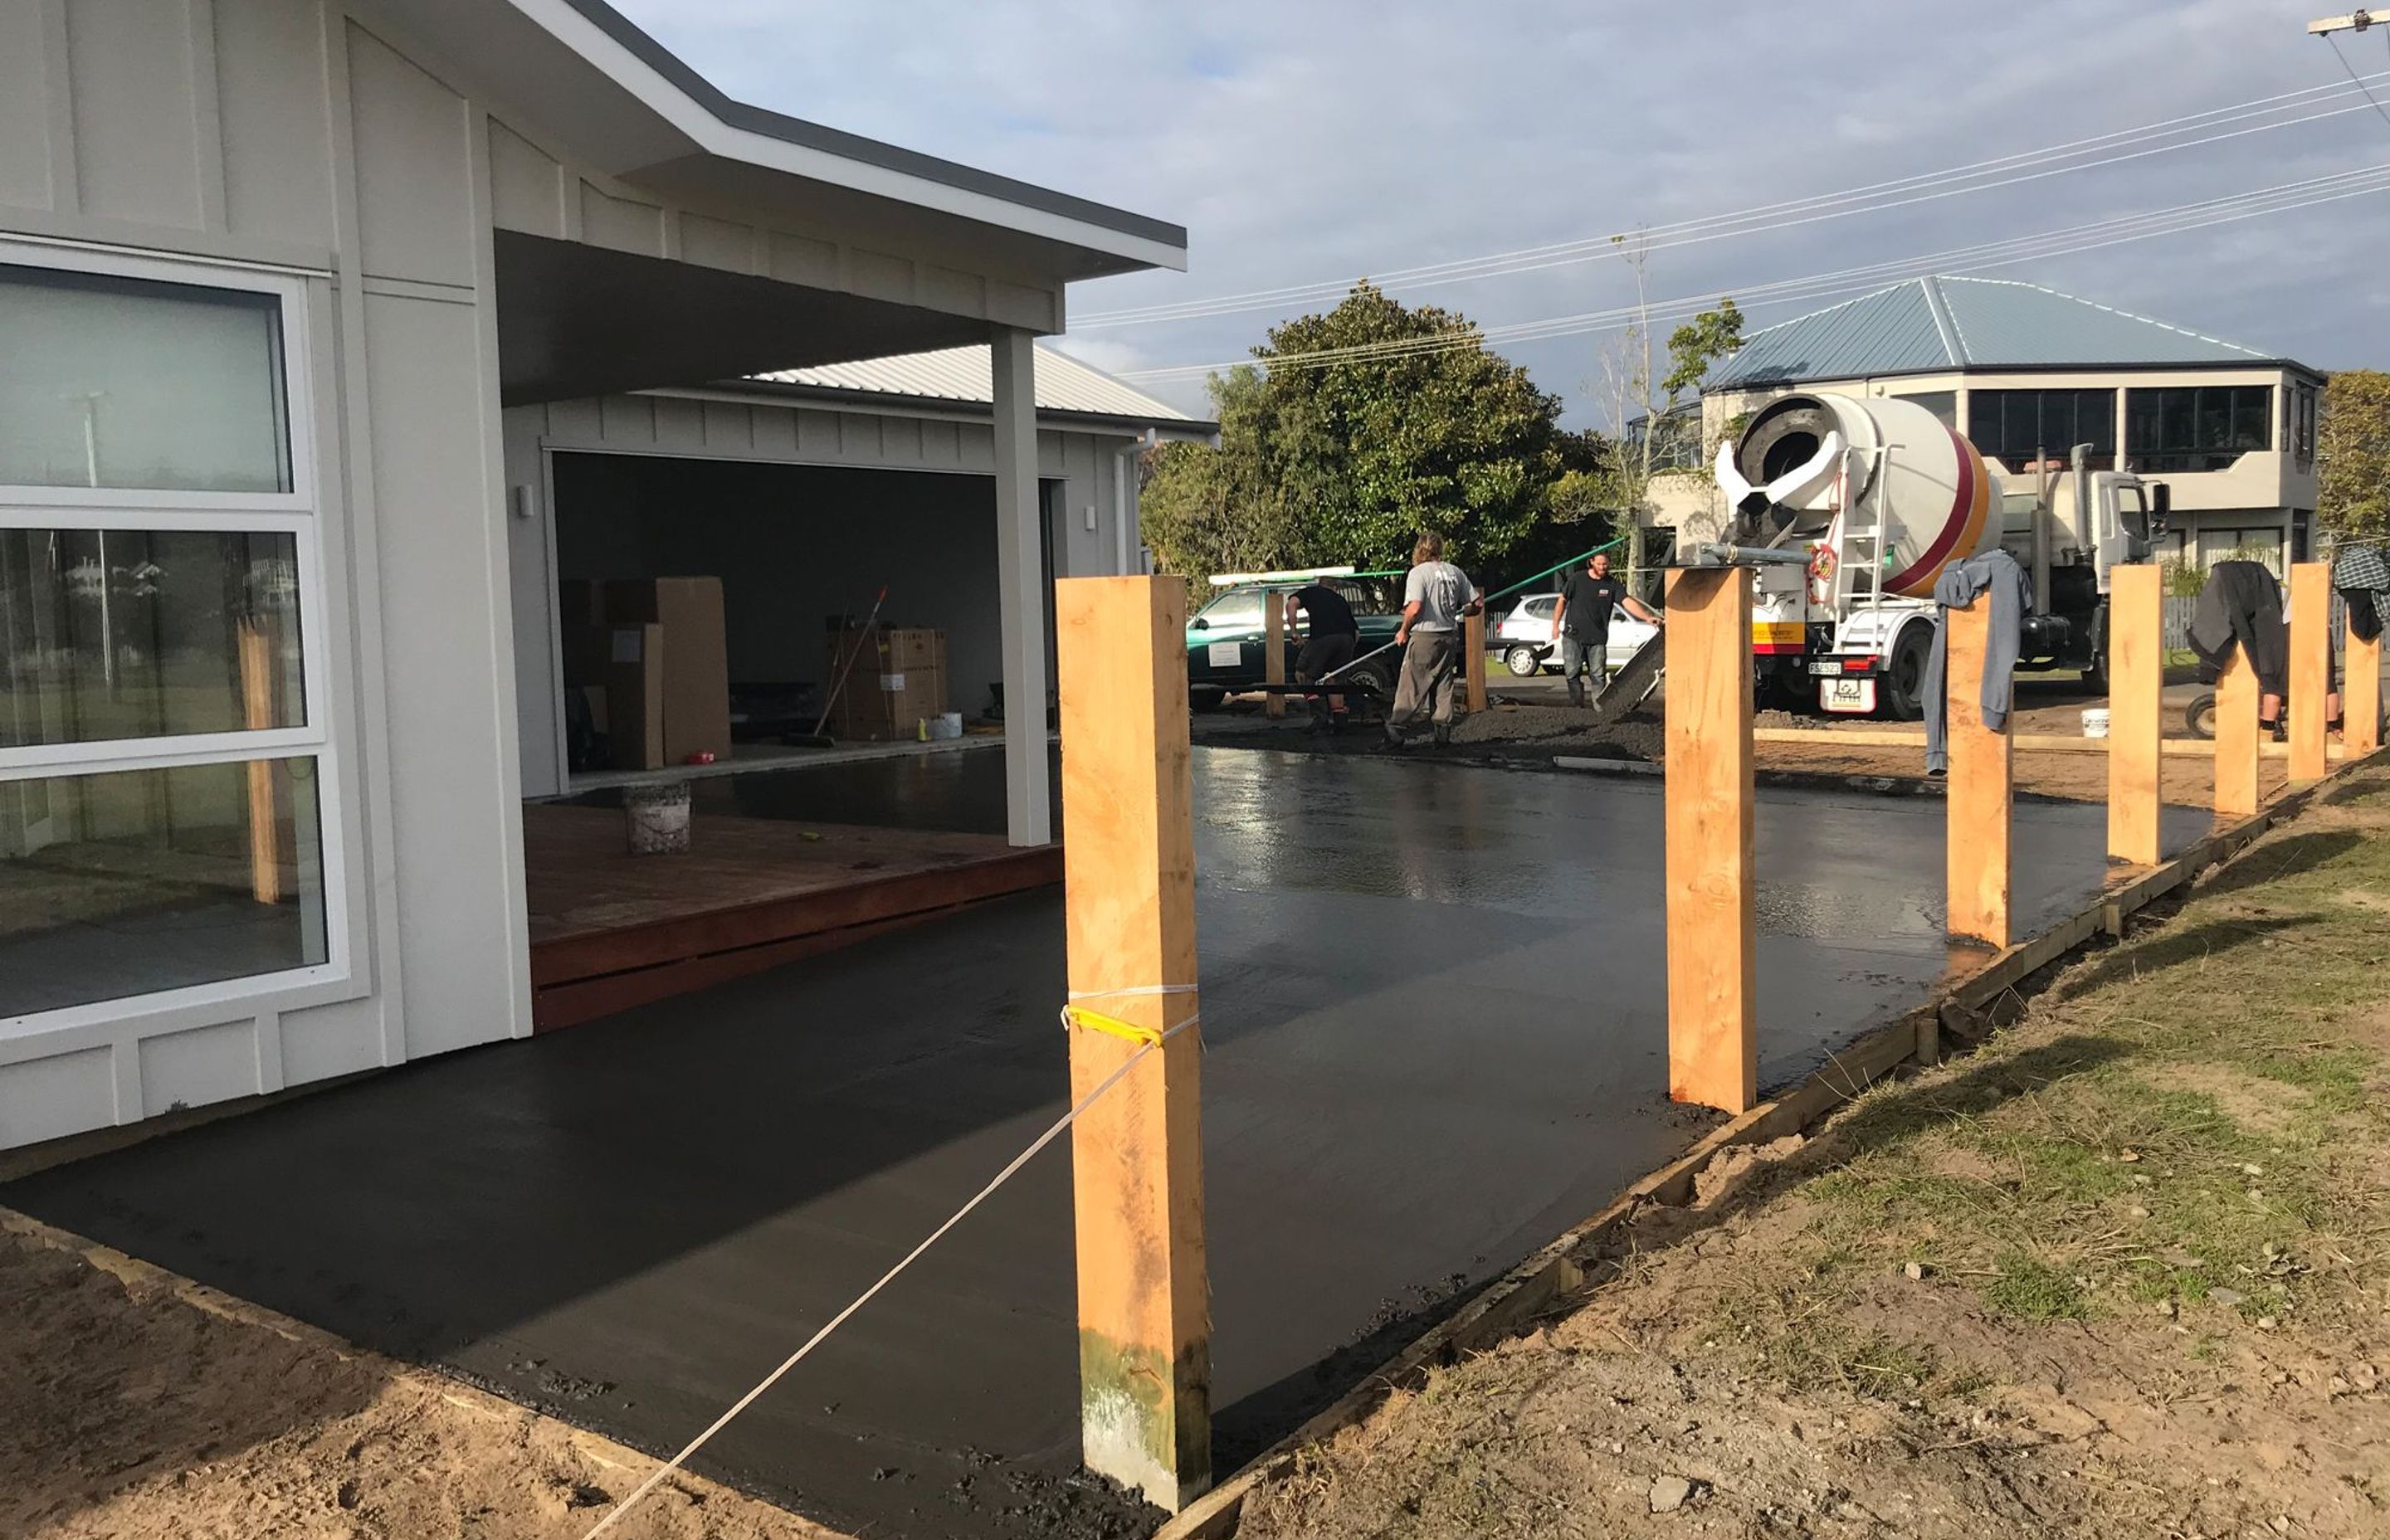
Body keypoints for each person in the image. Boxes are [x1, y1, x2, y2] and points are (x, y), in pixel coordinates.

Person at [1384, 534, 1480, 748]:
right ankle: (1442, 733)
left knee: (1411, 684)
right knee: (1443, 684)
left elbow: (1415, 607)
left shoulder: (1418, 573)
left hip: (1425, 635)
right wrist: (1466, 611)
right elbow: (1477, 604)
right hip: (1448, 635)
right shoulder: (1455, 572)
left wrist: (1403, 630)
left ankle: (1396, 731)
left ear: (1419, 550)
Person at [1550, 550, 1661, 709]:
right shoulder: (1577, 579)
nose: (1602, 567)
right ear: (1592, 562)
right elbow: (1562, 601)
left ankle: (1600, 710)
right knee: (1572, 673)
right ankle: (1577, 706)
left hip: (1598, 638)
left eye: (1605, 564)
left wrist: (1646, 617)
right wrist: (1555, 626)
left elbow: (1627, 601)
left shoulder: (1611, 584)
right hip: (1573, 637)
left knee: (1598, 676)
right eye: (1599, 564)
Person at [1285, 580, 1360, 733]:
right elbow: (1357, 633)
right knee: (1335, 679)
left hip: (1323, 637)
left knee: (1303, 673)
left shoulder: (1311, 592)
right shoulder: (1341, 600)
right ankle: (1340, 722)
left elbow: (1291, 604)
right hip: (1347, 639)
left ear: (1320, 585)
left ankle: (1320, 717)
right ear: (1335, 588)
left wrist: (1293, 631)